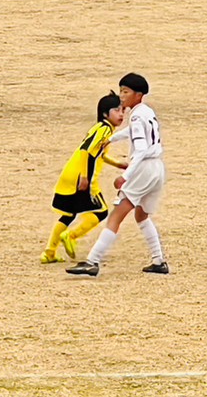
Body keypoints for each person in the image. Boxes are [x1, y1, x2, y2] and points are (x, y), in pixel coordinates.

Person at [68, 73, 170, 277]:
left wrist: (126, 176)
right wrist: (112, 139)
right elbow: (135, 132)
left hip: (143, 169)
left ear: (138, 94)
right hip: (157, 168)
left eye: (126, 92)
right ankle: (158, 260)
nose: (122, 97)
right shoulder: (146, 112)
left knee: (117, 215)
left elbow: (140, 149)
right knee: (141, 215)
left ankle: (92, 261)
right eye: (121, 91)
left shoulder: (136, 115)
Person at [42, 92, 128, 264]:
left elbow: (98, 153)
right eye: (117, 110)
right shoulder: (104, 130)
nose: (121, 114)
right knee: (101, 211)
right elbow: (85, 151)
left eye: (123, 110)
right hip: (81, 177)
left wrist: (117, 164)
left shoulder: (98, 128)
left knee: (68, 214)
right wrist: (83, 176)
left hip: (69, 174)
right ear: (105, 114)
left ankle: (49, 253)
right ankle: (71, 236)